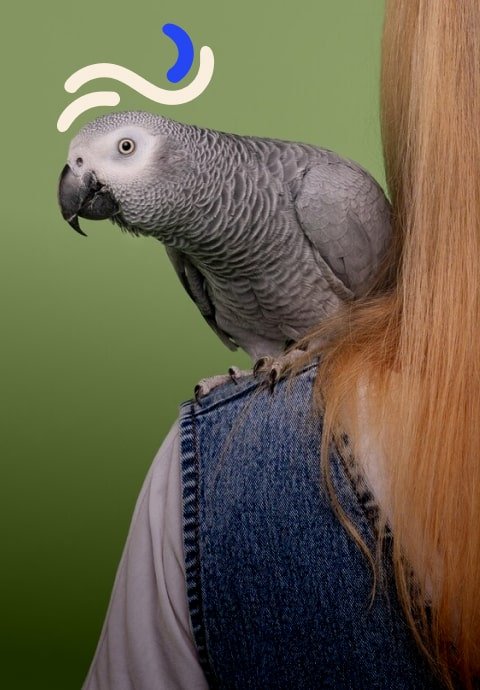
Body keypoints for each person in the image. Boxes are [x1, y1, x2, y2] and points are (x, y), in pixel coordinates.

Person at [82, 2, 480, 688]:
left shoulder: (324, 192)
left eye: (125, 151)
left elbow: (386, 321)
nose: (87, 175)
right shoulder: (192, 251)